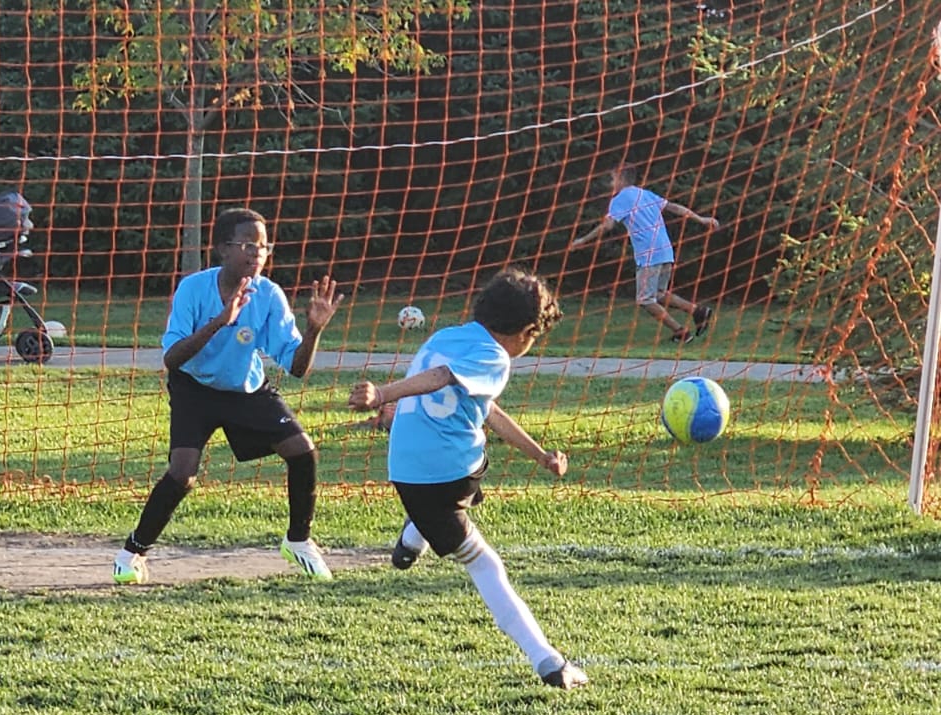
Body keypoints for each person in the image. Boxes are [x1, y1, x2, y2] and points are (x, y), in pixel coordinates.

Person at [347, 267, 588, 690]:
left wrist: (540, 455)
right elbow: (441, 379)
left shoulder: (445, 337)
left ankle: (413, 536)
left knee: (471, 452)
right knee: (484, 563)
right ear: (527, 331)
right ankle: (549, 662)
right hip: (438, 479)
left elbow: (489, 410)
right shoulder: (494, 356)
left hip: (414, 470)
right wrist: (384, 394)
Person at [113, 207, 343, 584]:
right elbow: (172, 359)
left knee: (303, 451)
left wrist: (315, 330)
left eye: (264, 247)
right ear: (223, 249)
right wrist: (222, 319)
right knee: (182, 474)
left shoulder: (269, 295)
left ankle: (298, 541)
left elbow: (297, 368)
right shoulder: (193, 289)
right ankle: (132, 551)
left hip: (244, 390)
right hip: (194, 388)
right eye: (248, 245)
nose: (257, 254)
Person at [568, 164, 720, 344]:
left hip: (649, 253)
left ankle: (681, 333)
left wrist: (582, 241)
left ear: (621, 178)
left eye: (612, 178)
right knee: (660, 294)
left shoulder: (620, 199)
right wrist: (701, 219)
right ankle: (698, 311)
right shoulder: (644, 194)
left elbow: (607, 226)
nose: (611, 183)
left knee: (645, 299)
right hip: (665, 250)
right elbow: (674, 208)